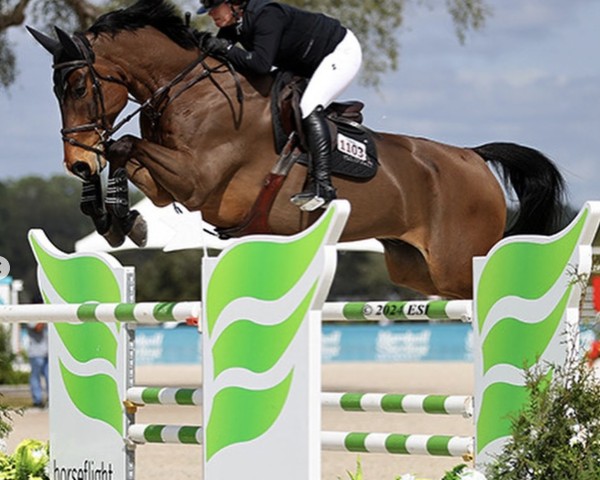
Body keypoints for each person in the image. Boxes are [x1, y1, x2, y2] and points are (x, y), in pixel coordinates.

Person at [198, 0, 363, 211]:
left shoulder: (268, 15)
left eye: (214, 8)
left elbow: (260, 64)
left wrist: (227, 48)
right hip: (304, 62)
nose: (210, 14)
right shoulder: (234, 22)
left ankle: (323, 186)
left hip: (338, 53)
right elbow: (218, 53)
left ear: (232, 3)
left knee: (309, 105)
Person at [24, 294, 48, 409]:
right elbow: (38, 328)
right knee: (35, 377)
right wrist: (45, 318)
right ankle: (37, 400)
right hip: (36, 352)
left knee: (49, 377)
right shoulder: (31, 316)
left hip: (47, 351)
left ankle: (50, 399)